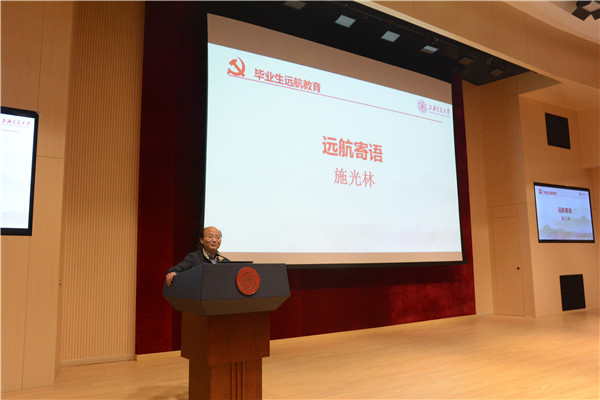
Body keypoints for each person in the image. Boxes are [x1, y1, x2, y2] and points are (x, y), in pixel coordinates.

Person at [165, 226, 230, 286]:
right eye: (210, 237)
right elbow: (176, 270)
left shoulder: (224, 261)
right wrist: (173, 273)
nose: (214, 240)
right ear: (201, 240)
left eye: (217, 237)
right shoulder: (193, 257)